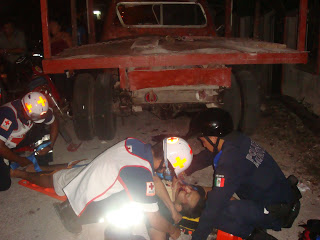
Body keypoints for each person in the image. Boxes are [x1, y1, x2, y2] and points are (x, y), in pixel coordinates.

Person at [11, 137, 194, 239]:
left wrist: (171, 209)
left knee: (59, 179)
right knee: (139, 207)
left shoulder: (136, 144)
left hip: (88, 176)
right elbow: (154, 219)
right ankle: (69, 213)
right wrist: (172, 230)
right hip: (83, 207)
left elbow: (153, 177)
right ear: (165, 164)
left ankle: (23, 173)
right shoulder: (140, 175)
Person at [185, 108, 302, 240]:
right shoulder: (236, 139)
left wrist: (198, 237)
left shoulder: (230, 162)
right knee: (219, 201)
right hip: (280, 195)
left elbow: (214, 206)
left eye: (203, 141)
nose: (203, 145)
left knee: (218, 212)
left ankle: (254, 235)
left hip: (275, 212)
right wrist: (185, 168)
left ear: (213, 137)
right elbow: (209, 154)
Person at [0, 91, 59, 191]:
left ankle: (40, 164)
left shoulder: (39, 108)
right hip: (2, 145)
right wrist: (19, 160)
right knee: (4, 184)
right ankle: (12, 168)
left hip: (13, 140)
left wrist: (50, 145)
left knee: (42, 133)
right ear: (25, 110)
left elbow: (54, 123)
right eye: (35, 117)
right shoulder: (8, 115)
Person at [49, 20, 73, 101]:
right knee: (59, 88)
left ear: (59, 27)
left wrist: (71, 67)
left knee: (68, 87)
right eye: (50, 26)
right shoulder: (51, 40)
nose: (51, 28)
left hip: (66, 66)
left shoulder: (65, 36)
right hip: (56, 68)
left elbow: (71, 51)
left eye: (53, 25)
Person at [0, 20, 27, 90]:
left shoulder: (19, 34)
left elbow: (22, 49)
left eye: (9, 28)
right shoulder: (1, 36)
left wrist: (6, 51)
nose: (7, 30)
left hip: (20, 60)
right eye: (5, 28)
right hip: (6, 61)